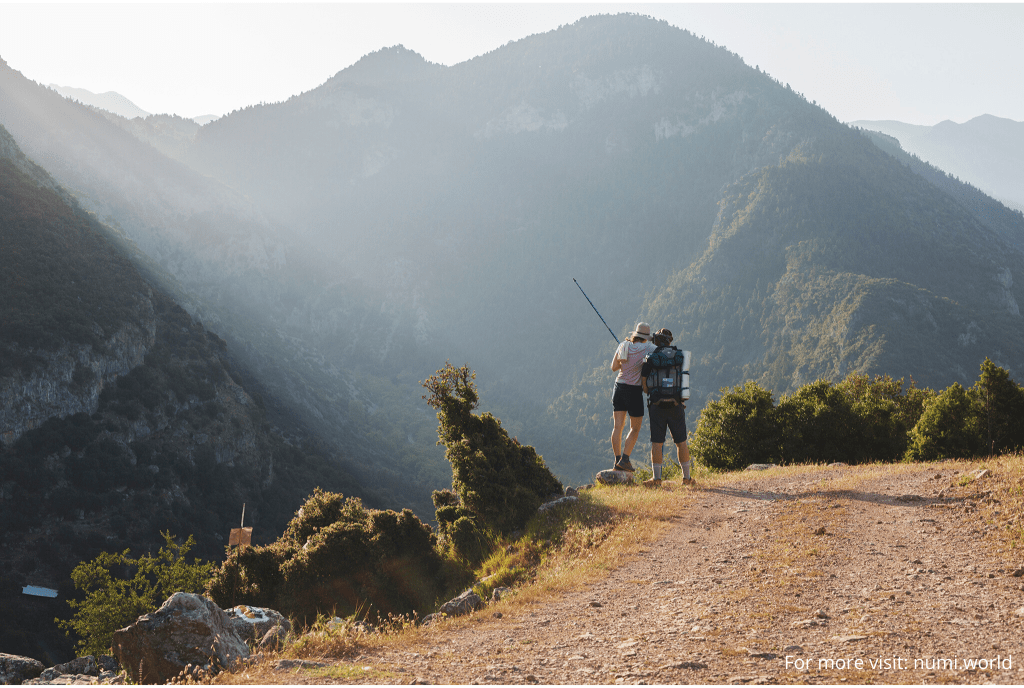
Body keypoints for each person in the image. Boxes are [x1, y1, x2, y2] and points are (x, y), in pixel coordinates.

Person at [640, 328, 694, 487]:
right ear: (670, 341)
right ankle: (687, 479)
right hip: (676, 405)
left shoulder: (651, 358)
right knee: (681, 442)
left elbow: (644, 385)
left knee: (657, 442)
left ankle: (656, 479)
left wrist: (650, 391)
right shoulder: (679, 356)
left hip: (657, 405)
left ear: (656, 341)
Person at [610, 322, 656, 472]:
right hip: (633, 391)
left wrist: (625, 359)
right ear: (646, 337)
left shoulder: (623, 345)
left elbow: (614, 367)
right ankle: (625, 459)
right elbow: (661, 352)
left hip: (619, 387)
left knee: (617, 426)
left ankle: (617, 460)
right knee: (635, 428)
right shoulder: (648, 348)